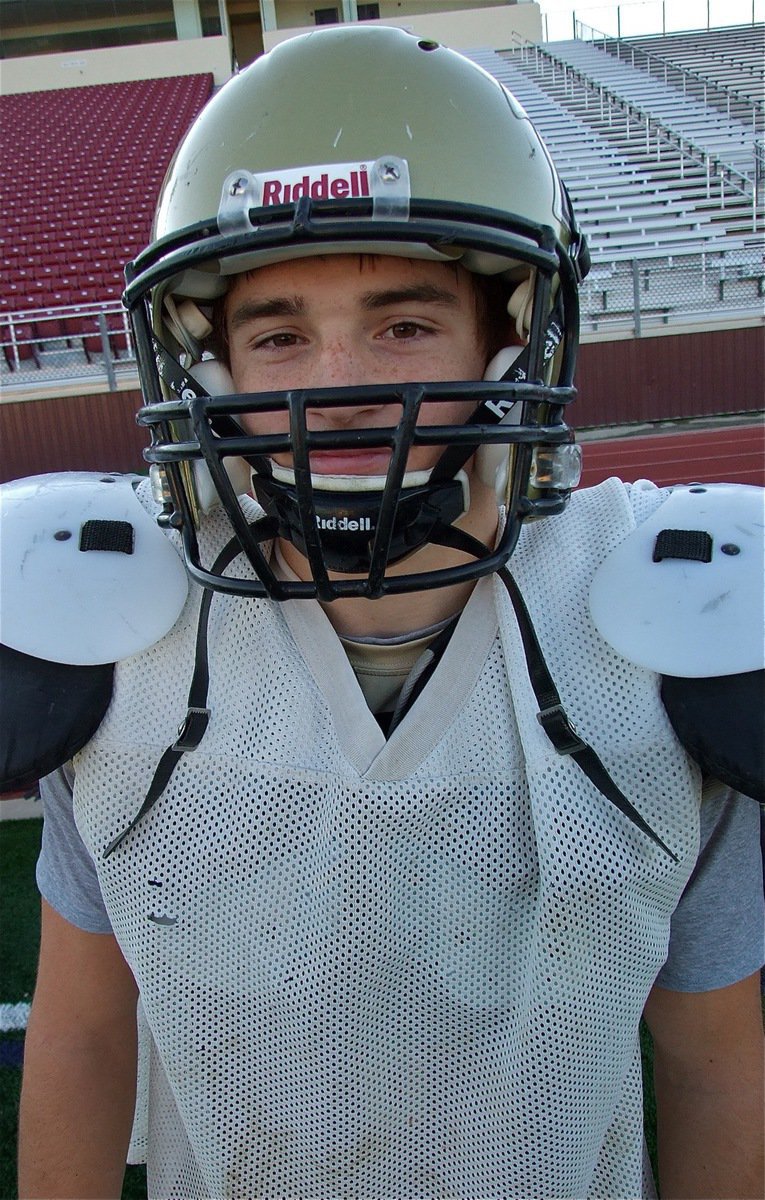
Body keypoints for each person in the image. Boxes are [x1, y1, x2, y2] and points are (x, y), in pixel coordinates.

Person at [10, 25, 764, 1200]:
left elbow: (712, 1059)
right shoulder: (123, 633)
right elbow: (84, 1034)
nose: (341, 381)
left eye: (405, 325)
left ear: (509, 340)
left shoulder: (657, 623)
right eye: (278, 337)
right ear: (209, 375)